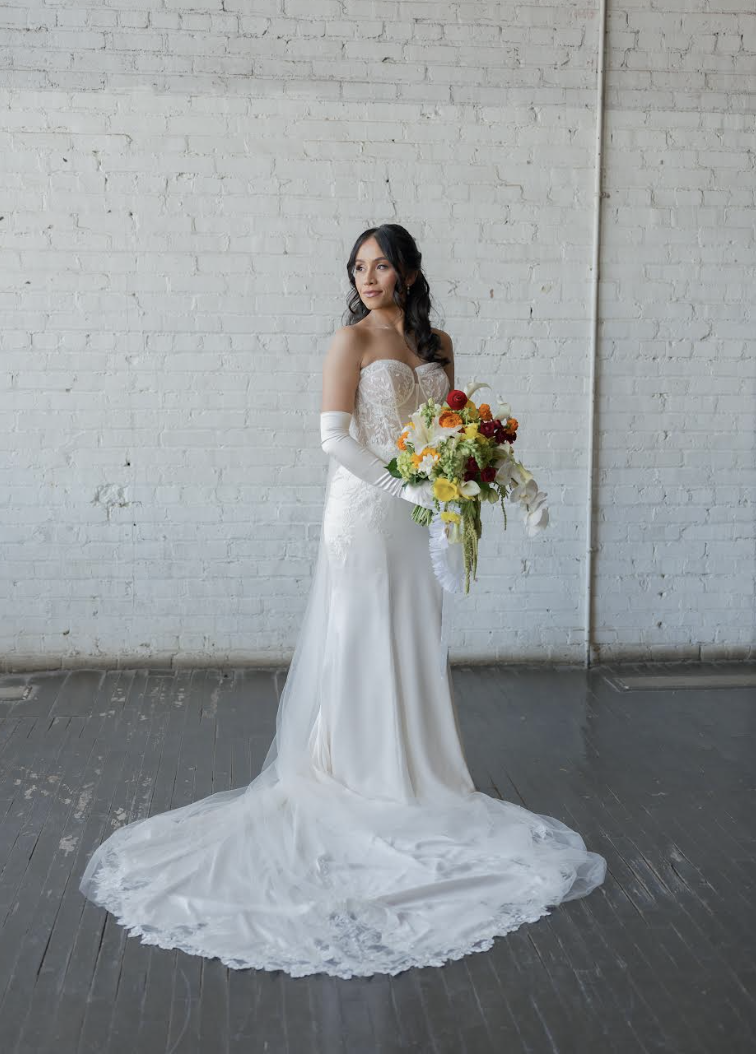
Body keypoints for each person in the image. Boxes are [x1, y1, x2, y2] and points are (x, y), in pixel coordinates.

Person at [79, 223, 606, 979]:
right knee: (361, 636)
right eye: (359, 266)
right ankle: (356, 774)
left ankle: (417, 770)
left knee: (416, 634)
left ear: (411, 274)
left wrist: (461, 481)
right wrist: (404, 484)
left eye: (381, 265)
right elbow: (333, 436)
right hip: (364, 512)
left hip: (422, 513)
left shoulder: (439, 343)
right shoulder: (350, 343)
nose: (367, 277)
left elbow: (448, 421)